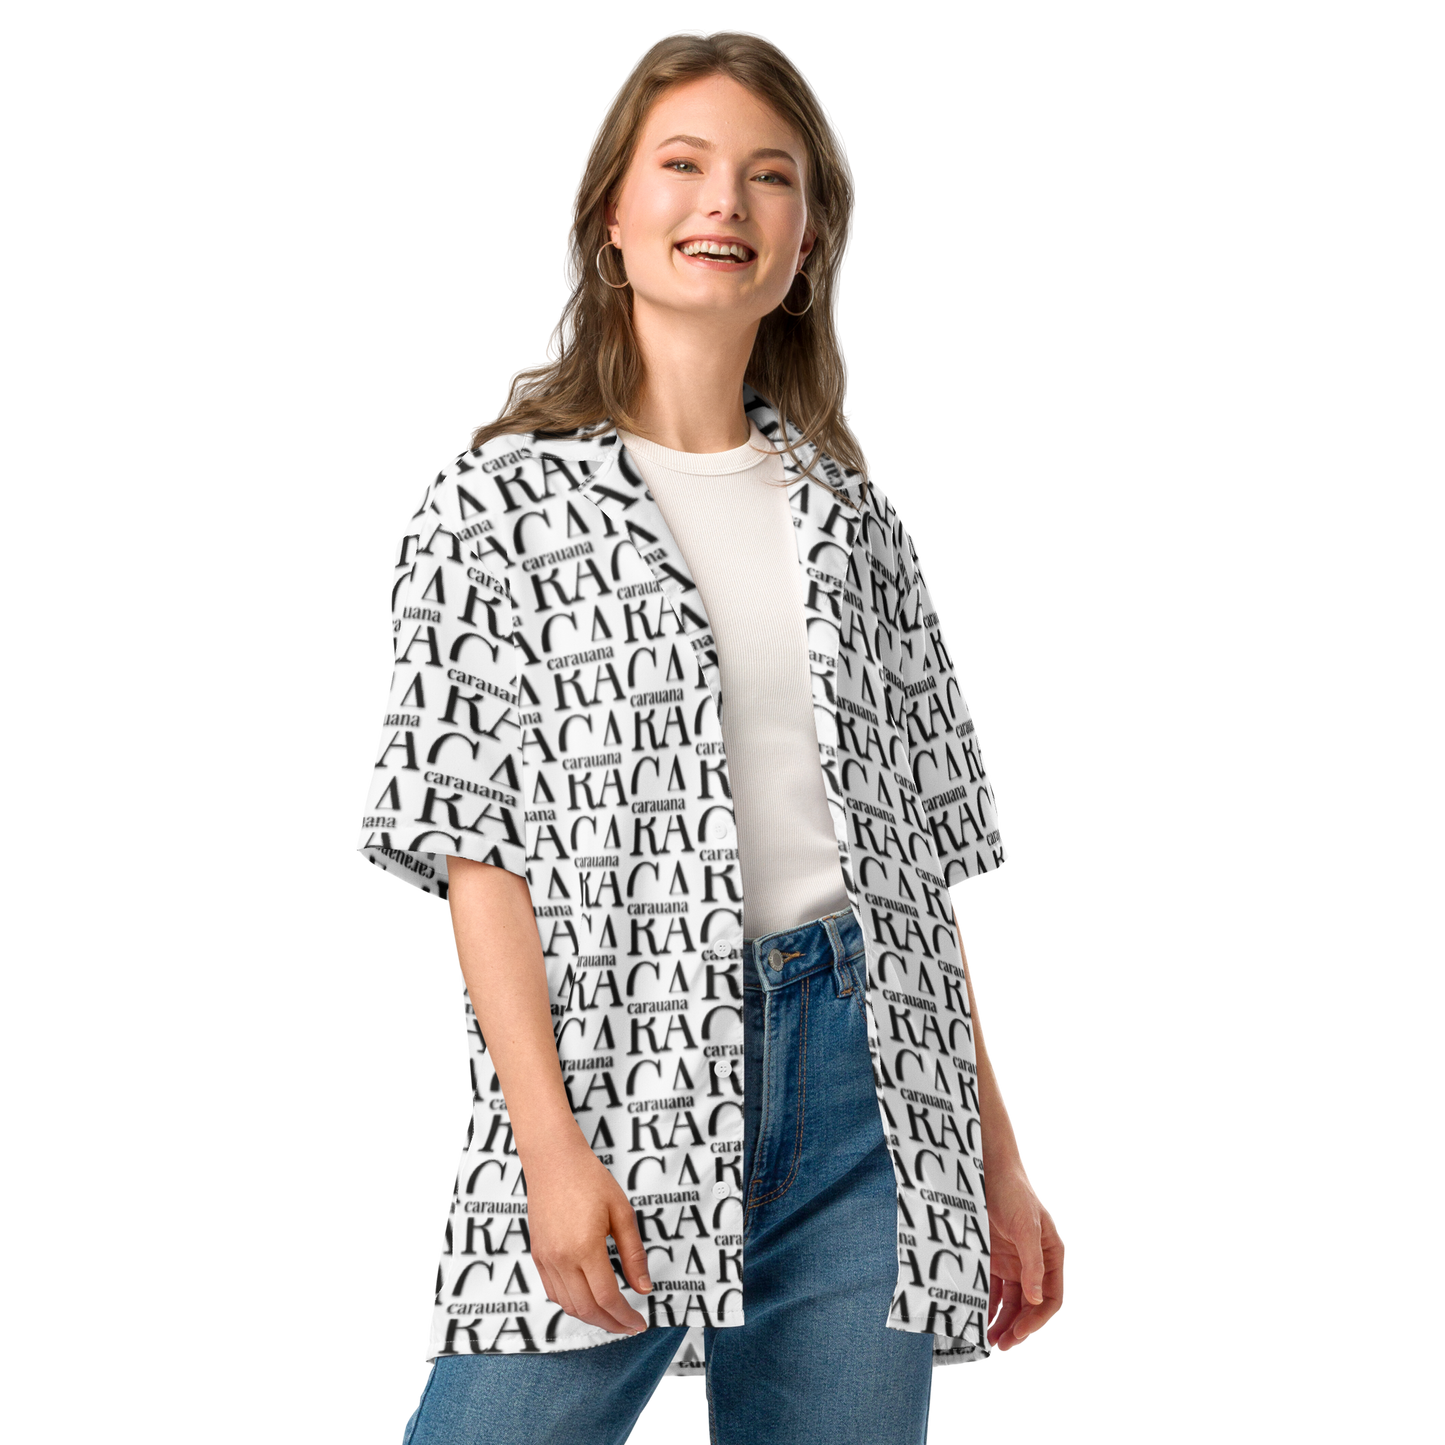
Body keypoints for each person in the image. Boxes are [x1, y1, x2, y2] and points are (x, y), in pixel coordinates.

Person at [357, 26, 1067, 1445]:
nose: (724, 204)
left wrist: (999, 1158)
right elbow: (473, 856)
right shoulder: (492, 508)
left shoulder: (856, 521)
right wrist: (547, 1148)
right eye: (681, 165)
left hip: (875, 1082)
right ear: (610, 218)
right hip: (624, 1061)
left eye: (769, 175)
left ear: (808, 239)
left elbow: (921, 867)